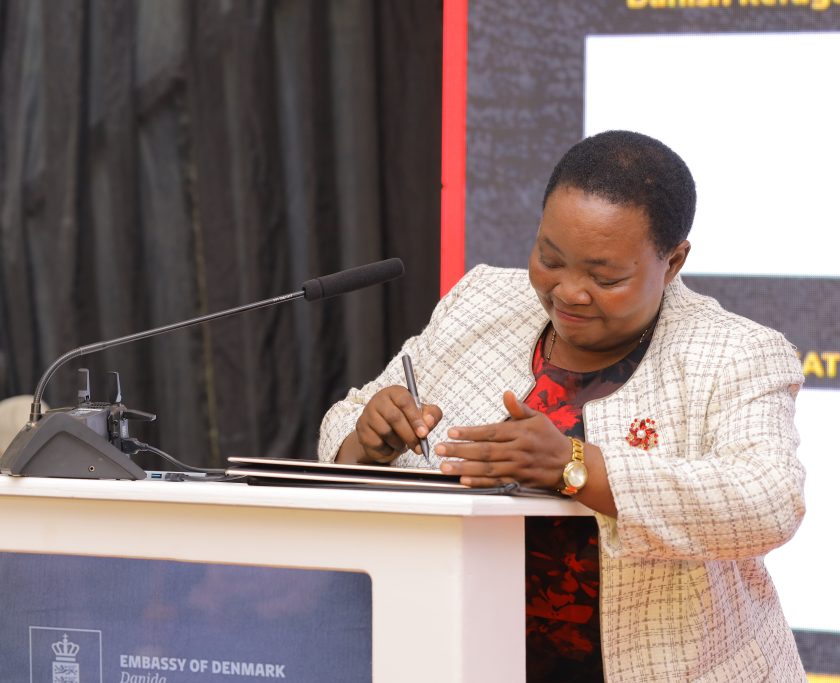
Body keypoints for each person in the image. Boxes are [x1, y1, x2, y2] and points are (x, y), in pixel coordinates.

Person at [318, 130, 807, 682]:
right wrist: (367, 439)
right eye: (550, 259)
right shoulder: (480, 300)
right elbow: (346, 421)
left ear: (672, 262)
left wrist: (575, 466)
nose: (569, 292)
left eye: (605, 277)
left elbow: (768, 500)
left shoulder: (734, 352)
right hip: (470, 660)